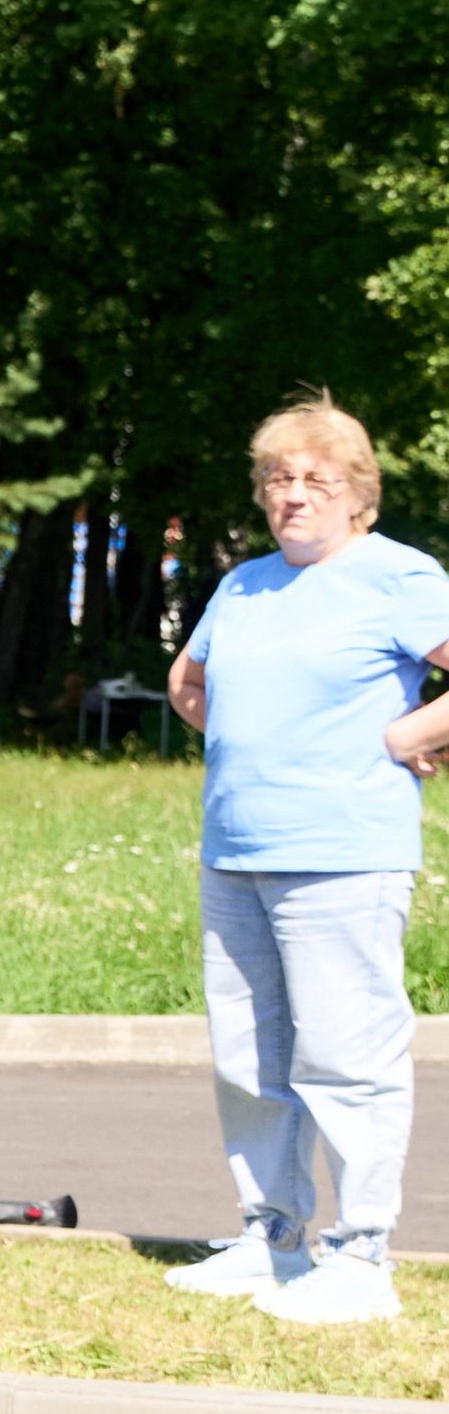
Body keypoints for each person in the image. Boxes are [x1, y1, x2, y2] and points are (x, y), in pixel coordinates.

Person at [167, 397, 449, 1325]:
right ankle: (273, 1240)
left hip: (343, 854)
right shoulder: (245, 583)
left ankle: (362, 1259)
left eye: (316, 479)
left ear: (358, 492)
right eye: (277, 477)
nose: (293, 494)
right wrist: (250, 737)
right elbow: (188, 680)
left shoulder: (397, 576)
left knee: (343, 1057)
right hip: (237, 849)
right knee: (250, 1060)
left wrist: (412, 732)